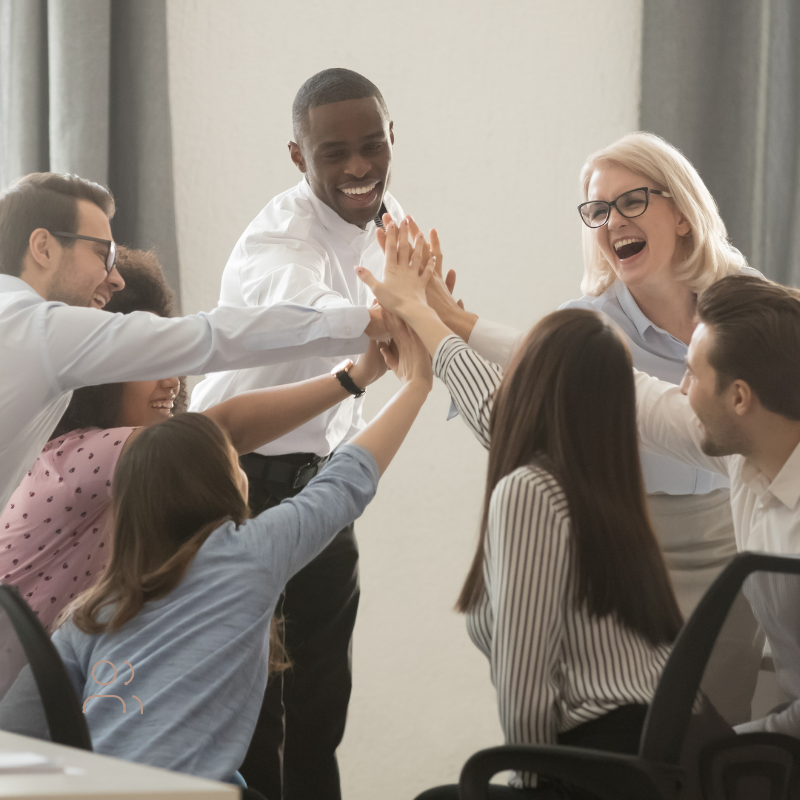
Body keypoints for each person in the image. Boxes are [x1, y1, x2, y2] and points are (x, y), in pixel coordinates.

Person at [413, 132, 765, 723]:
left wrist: (449, 324)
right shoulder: (583, 326)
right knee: (650, 740)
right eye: (598, 210)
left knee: (715, 746)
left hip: (732, 546)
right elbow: (517, 414)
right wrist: (438, 327)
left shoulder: (746, 308)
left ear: (681, 213)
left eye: (632, 202)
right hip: (632, 551)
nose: (612, 222)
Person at [0, 306, 432, 785]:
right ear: (227, 483)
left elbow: (15, 733)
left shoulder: (95, 610)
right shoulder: (246, 555)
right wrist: (417, 386)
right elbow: (345, 483)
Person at [357, 220, 683, 798]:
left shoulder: (533, 490)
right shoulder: (602, 490)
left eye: (519, 366)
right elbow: (495, 411)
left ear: (533, 385)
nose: (506, 380)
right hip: (645, 764)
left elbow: (525, 680)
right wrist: (434, 318)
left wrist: (528, 783)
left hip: (591, 764)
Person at [188, 68, 403, 800]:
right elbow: (309, 308)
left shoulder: (387, 216)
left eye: (372, 146)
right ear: (296, 155)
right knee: (247, 711)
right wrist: (390, 322)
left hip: (317, 482)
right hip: (231, 483)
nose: (358, 168)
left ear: (391, 139)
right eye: (334, 152)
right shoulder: (277, 243)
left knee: (320, 700)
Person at [0, 247, 387, 634]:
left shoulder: (126, 471)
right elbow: (226, 429)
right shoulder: (77, 459)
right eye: (150, 362)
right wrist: (355, 376)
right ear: (100, 372)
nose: (172, 380)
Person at [0, 171, 385, 511]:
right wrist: (370, 323)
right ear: (43, 248)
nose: (115, 279)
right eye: (104, 254)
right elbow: (211, 340)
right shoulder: (38, 330)